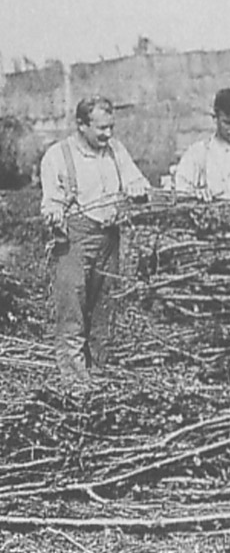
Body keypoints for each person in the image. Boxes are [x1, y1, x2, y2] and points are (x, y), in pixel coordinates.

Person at [40, 96, 151, 386]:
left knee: (104, 309)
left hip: (109, 238)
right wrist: (53, 214)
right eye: (101, 128)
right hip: (74, 241)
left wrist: (139, 189)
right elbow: (50, 201)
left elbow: (135, 180)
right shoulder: (57, 155)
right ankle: (75, 382)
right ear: (81, 125)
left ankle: (99, 375)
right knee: (73, 309)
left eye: (111, 127)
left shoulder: (116, 151)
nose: (108, 134)